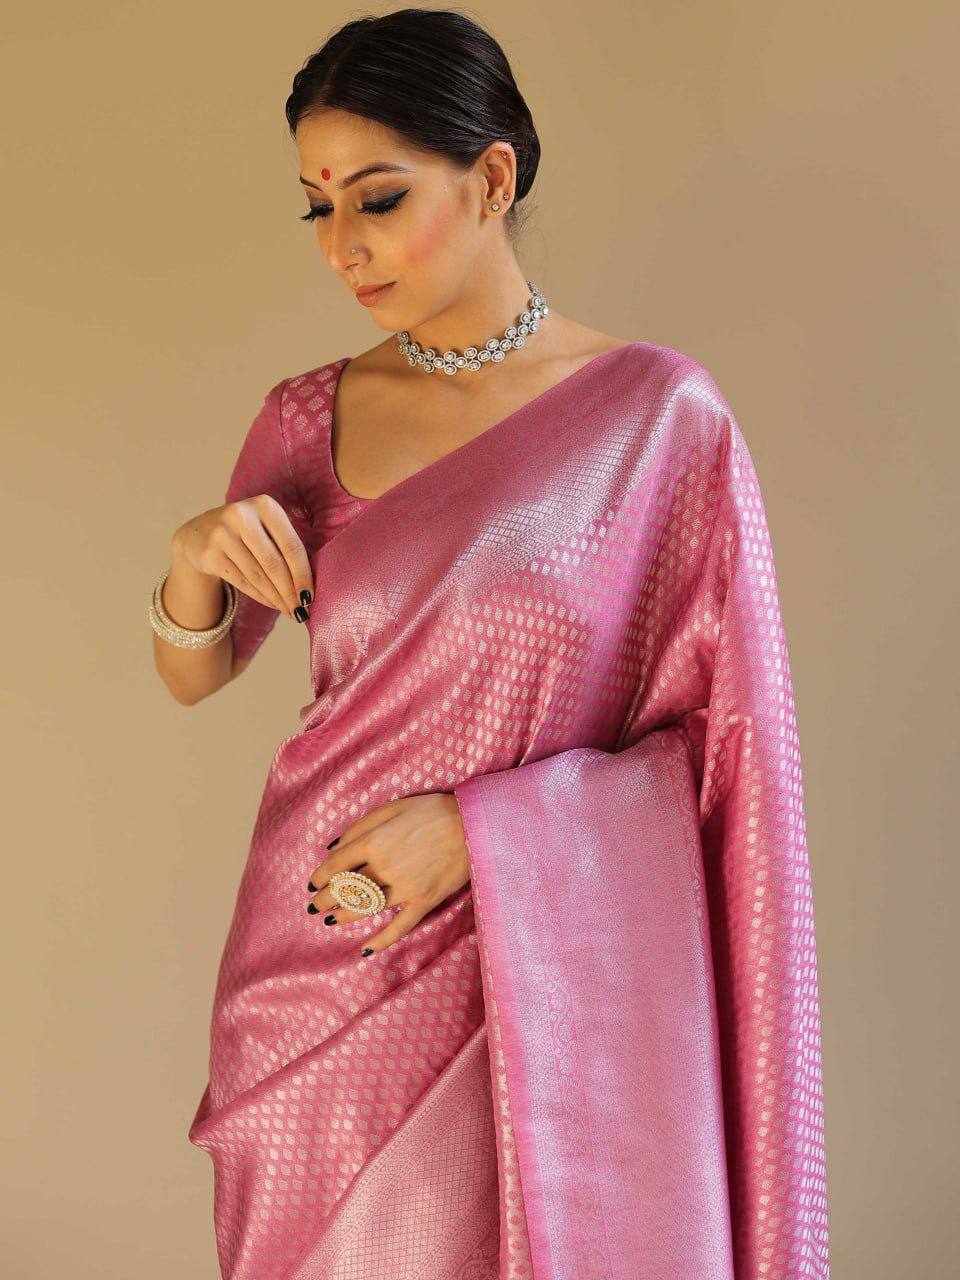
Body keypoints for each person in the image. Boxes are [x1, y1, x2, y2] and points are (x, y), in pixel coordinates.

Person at [151, 10, 830, 1279]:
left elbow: (728, 745)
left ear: (494, 178)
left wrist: (485, 831)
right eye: (317, 209)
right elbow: (201, 666)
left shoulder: (658, 419)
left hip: (547, 971)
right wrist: (194, 561)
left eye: (379, 198)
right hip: (322, 970)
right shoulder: (307, 417)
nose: (343, 246)